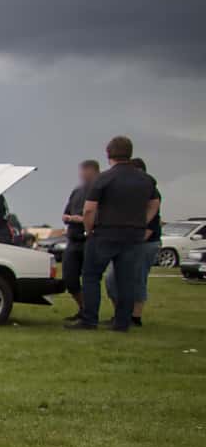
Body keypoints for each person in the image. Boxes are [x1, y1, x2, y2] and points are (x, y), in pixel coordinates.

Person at [68, 135, 157, 332]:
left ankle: (89, 320)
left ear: (109, 154)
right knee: (126, 279)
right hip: (133, 235)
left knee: (91, 276)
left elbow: (89, 209)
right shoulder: (145, 180)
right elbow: (154, 203)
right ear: (130, 154)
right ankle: (122, 322)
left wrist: (89, 229)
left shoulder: (104, 179)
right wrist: (143, 221)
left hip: (105, 233)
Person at [104, 158, 160, 327]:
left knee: (137, 279)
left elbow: (152, 223)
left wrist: (134, 240)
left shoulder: (151, 193)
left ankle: (135, 317)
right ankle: (120, 314)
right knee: (112, 279)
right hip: (128, 242)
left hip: (145, 243)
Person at [60, 159, 99, 319]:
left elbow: (100, 216)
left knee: (90, 279)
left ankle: (90, 314)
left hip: (90, 240)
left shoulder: (100, 191)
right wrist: (69, 218)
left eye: (86, 171)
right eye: (82, 171)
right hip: (73, 240)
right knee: (69, 278)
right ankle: (83, 308)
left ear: (95, 172)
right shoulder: (77, 191)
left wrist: (82, 220)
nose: (82, 174)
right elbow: (65, 214)